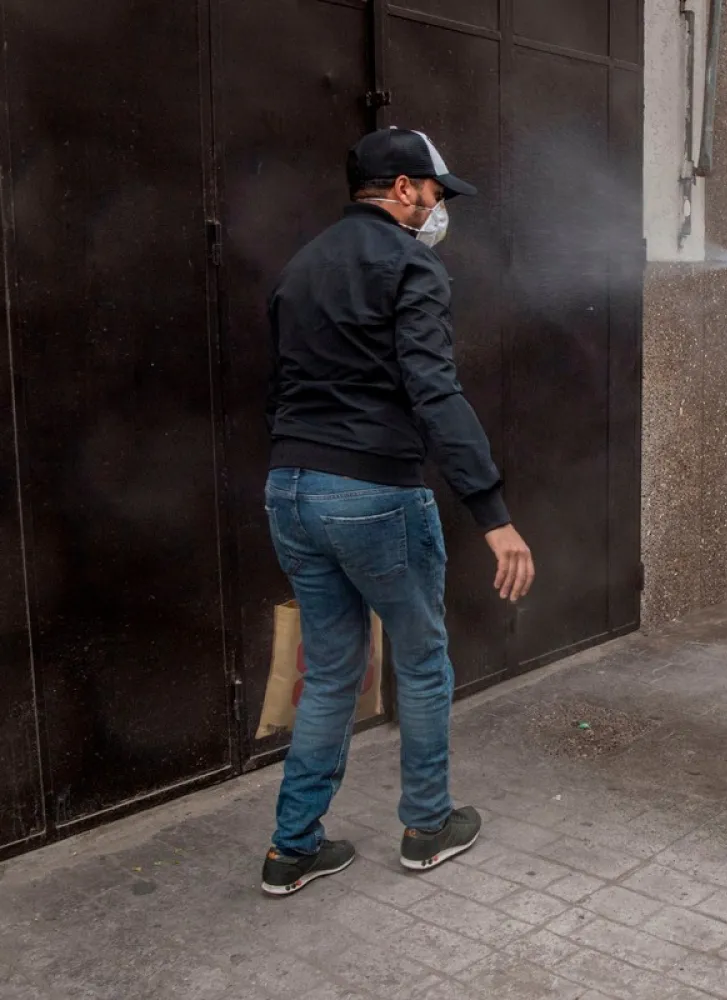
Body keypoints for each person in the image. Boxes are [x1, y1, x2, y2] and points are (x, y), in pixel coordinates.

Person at [259, 127, 535, 895]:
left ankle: (292, 848)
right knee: (419, 660)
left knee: (332, 672)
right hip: (374, 491)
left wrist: (300, 466)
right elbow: (434, 391)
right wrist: (493, 512)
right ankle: (426, 827)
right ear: (405, 188)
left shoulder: (300, 266)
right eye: (436, 193)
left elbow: (278, 390)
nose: (440, 207)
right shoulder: (411, 264)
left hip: (290, 488)